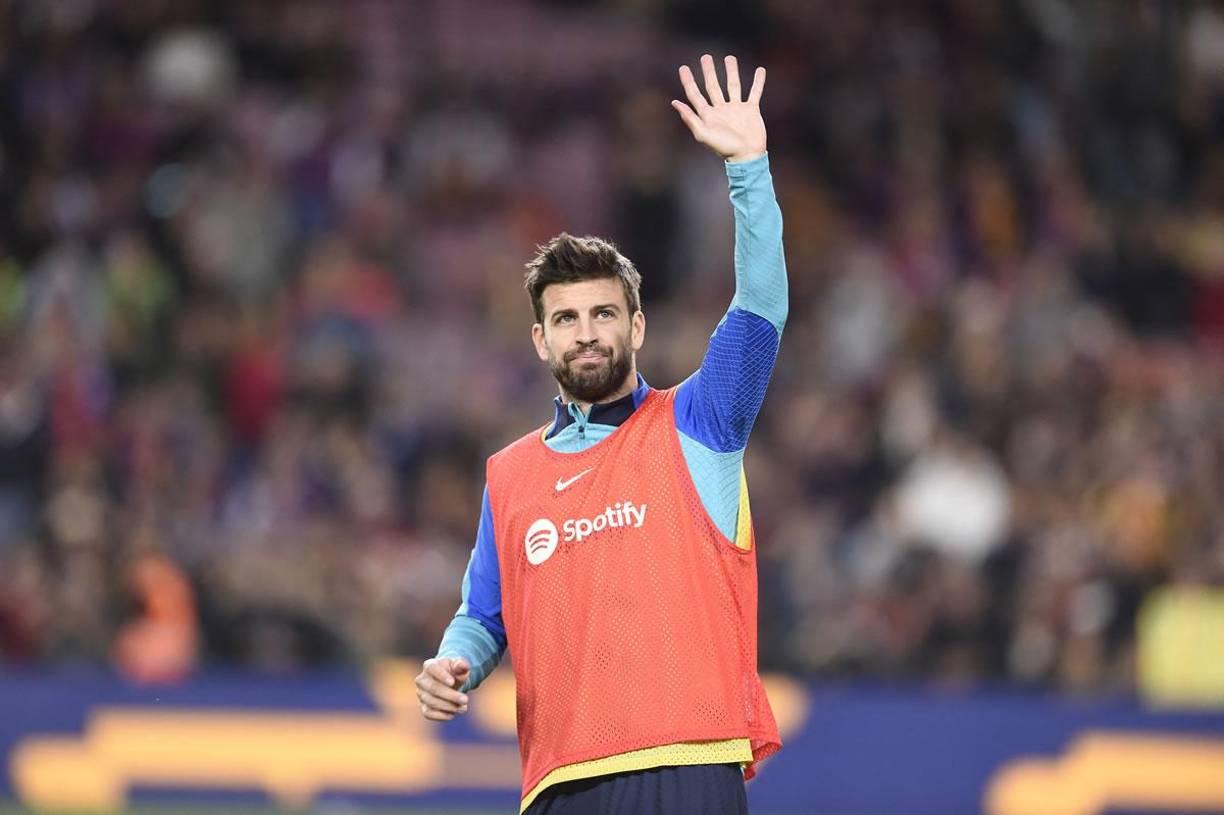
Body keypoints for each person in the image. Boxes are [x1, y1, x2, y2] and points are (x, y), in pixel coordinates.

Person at [415, 54, 786, 815]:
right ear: (540, 341)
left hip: (689, 764)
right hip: (560, 782)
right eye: (566, 319)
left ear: (636, 326)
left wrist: (748, 168)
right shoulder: (509, 475)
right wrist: (453, 660)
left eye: (603, 314)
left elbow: (761, 308)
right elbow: (483, 613)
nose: (587, 333)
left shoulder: (699, 422)